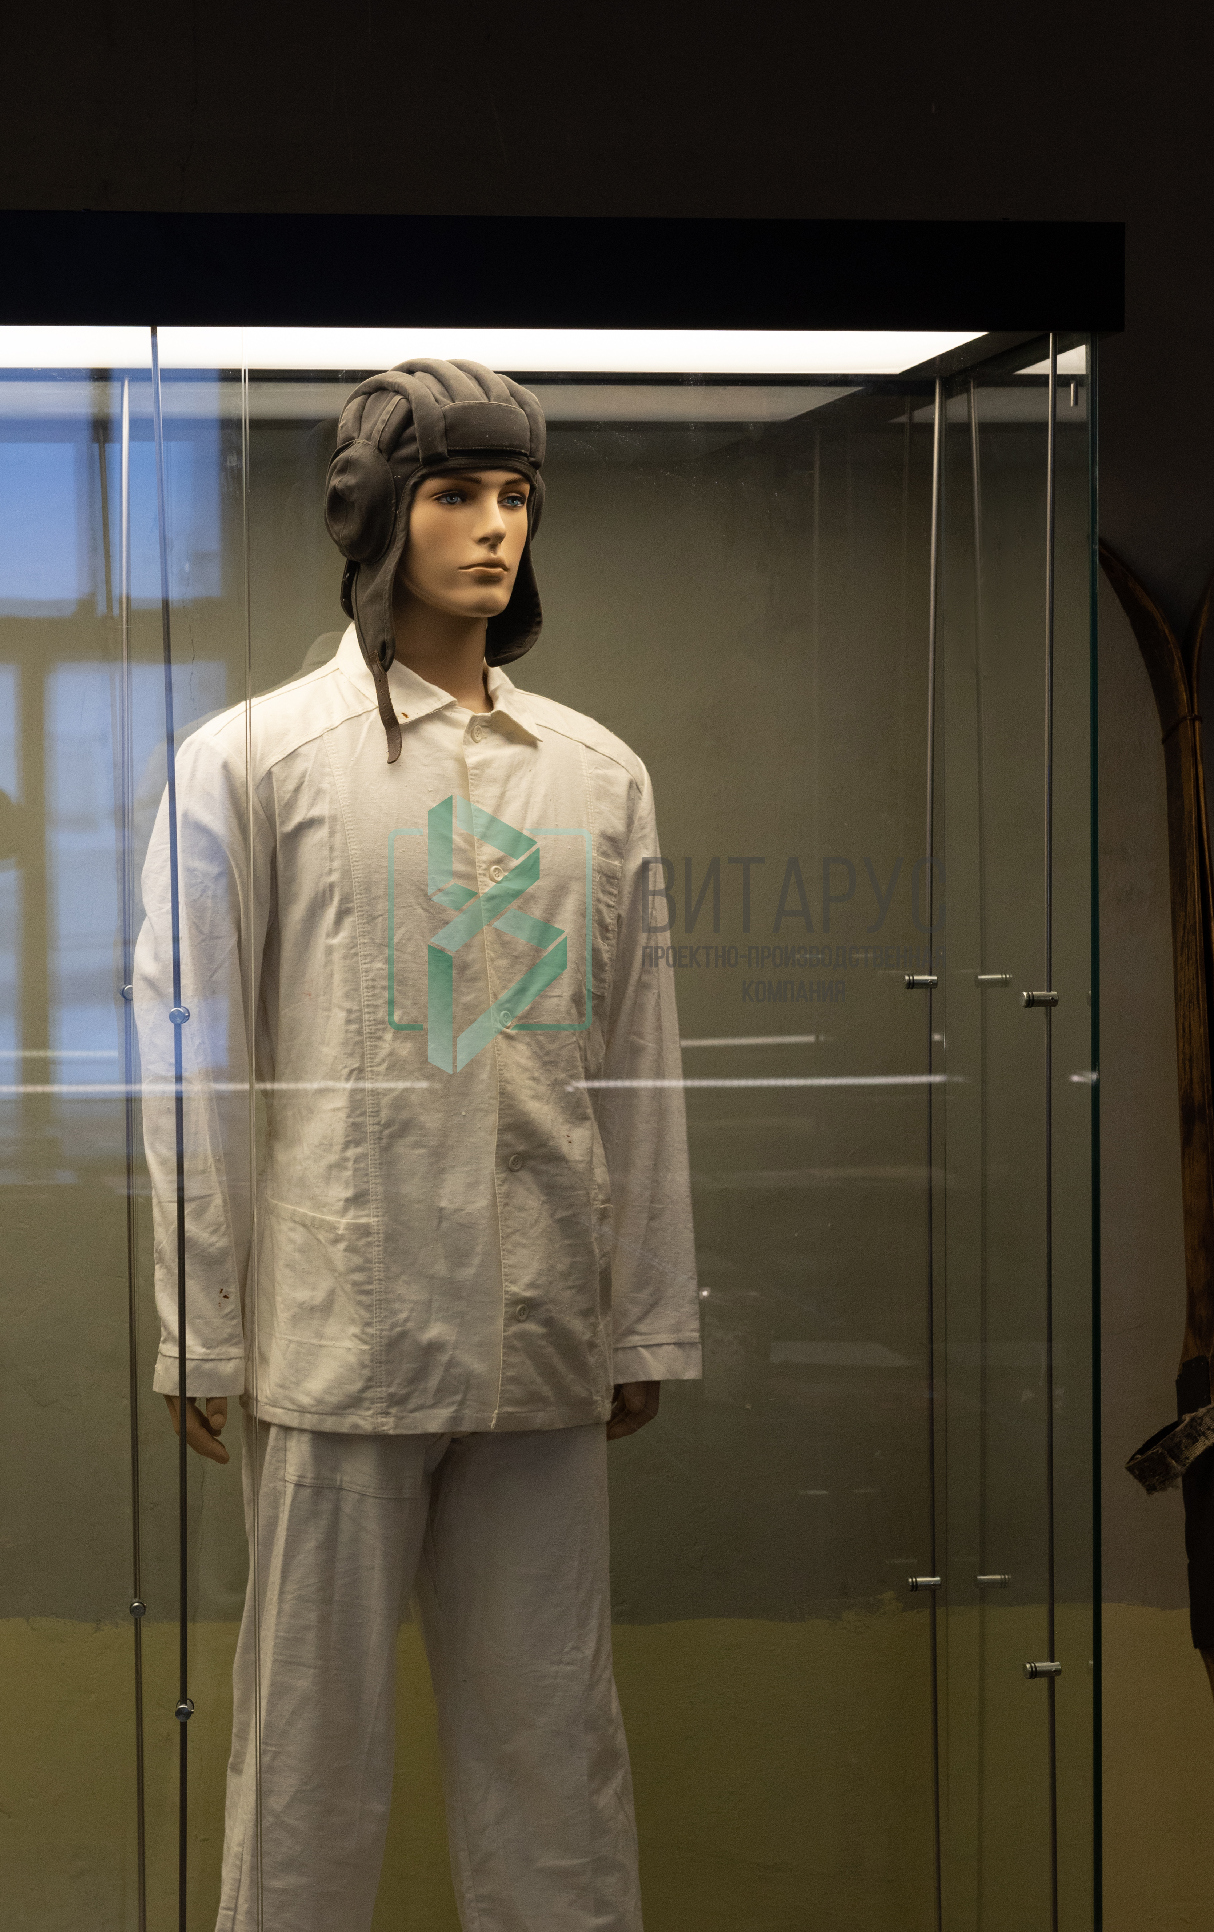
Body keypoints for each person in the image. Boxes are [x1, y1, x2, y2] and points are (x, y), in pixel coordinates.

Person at [135, 358, 700, 1932]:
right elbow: (190, 1057)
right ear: (377, 510)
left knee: (555, 1744)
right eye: (455, 492)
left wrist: (645, 1313)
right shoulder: (251, 762)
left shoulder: (597, 774)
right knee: (307, 1753)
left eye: (516, 495)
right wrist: (201, 1321)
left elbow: (638, 1059)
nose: (494, 527)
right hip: (341, 1329)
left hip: (542, 1327)